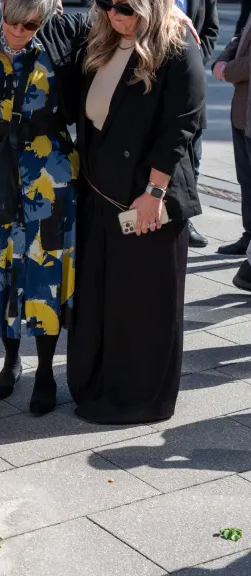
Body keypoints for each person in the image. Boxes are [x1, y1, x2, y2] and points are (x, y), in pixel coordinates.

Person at [66, 0, 206, 424]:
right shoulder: (102, 40)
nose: (114, 13)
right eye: (106, 4)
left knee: (144, 305)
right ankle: (96, 384)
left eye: (125, 7)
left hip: (148, 198)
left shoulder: (177, 46)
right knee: (103, 298)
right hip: (99, 193)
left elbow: (183, 123)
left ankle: (140, 399)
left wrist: (155, 190)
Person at [0, 0, 79, 416]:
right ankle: (10, 360)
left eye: (29, 24)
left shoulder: (62, 37)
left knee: (43, 272)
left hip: (47, 173)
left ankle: (46, 371)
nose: (17, 30)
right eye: (11, 20)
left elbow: (116, 21)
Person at [175, 0, 219, 250]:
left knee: (193, 158)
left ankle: (185, 221)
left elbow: (211, 29)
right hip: (152, 77)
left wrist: (192, 61)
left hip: (190, 84)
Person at [212, 18, 251, 290]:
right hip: (242, 115)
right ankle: (249, 238)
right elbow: (239, 39)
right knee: (246, 182)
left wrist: (228, 69)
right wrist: (221, 61)